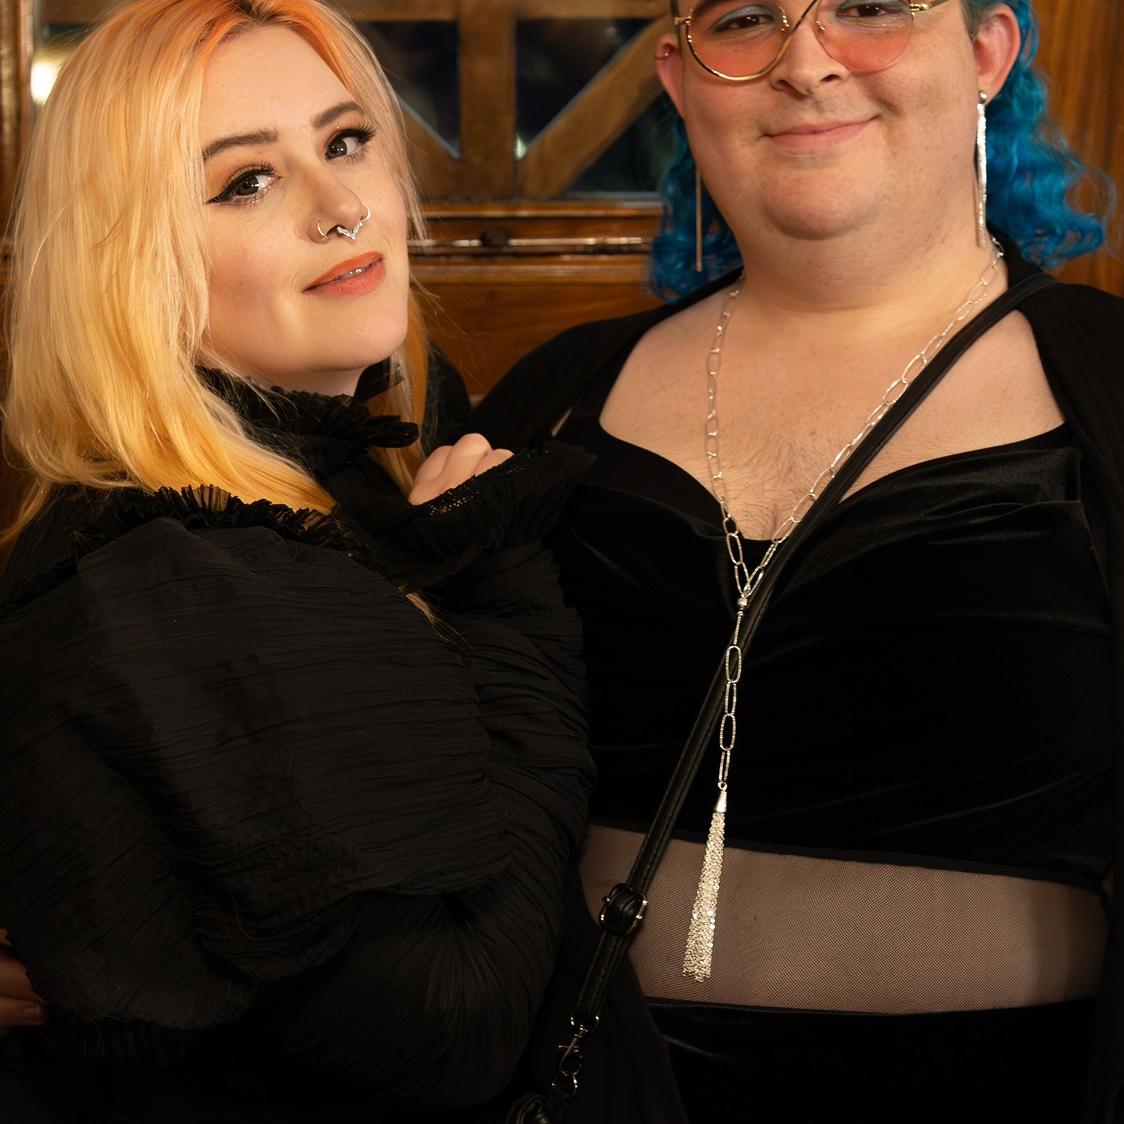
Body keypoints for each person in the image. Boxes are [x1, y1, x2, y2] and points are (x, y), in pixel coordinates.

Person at [472, 1, 1123, 1120]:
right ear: (679, 78)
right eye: (747, 19)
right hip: (594, 1087)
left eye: (868, 7)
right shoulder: (550, 401)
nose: (806, 63)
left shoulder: (1107, 390)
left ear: (985, 52)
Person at [0, 1, 645, 1119]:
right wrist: (501, 600)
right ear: (129, 260)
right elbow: (453, 1030)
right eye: (246, 181)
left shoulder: (348, 480)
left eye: (346, 142)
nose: (342, 205)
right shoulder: (186, 578)